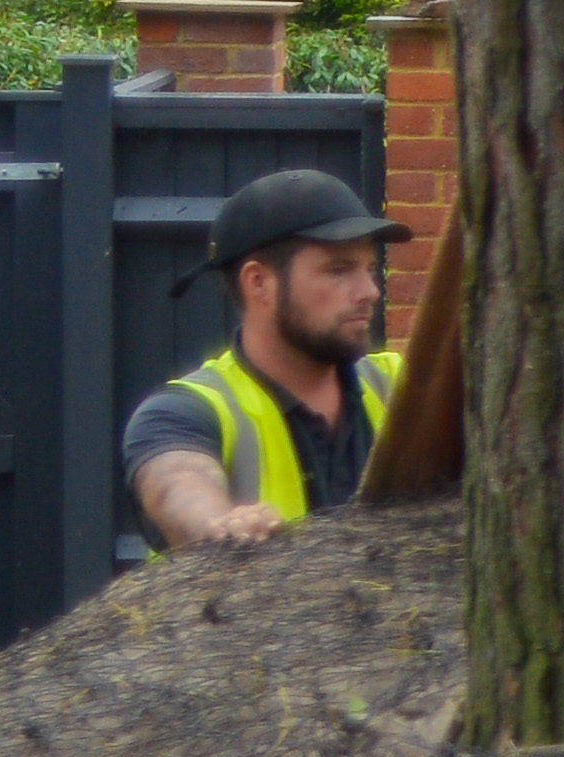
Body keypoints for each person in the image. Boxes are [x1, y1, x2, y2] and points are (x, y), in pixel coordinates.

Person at [123, 168, 411, 553]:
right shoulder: (183, 412)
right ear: (258, 282)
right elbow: (175, 482)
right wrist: (219, 525)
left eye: (370, 269)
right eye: (339, 270)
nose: (369, 291)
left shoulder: (404, 387)